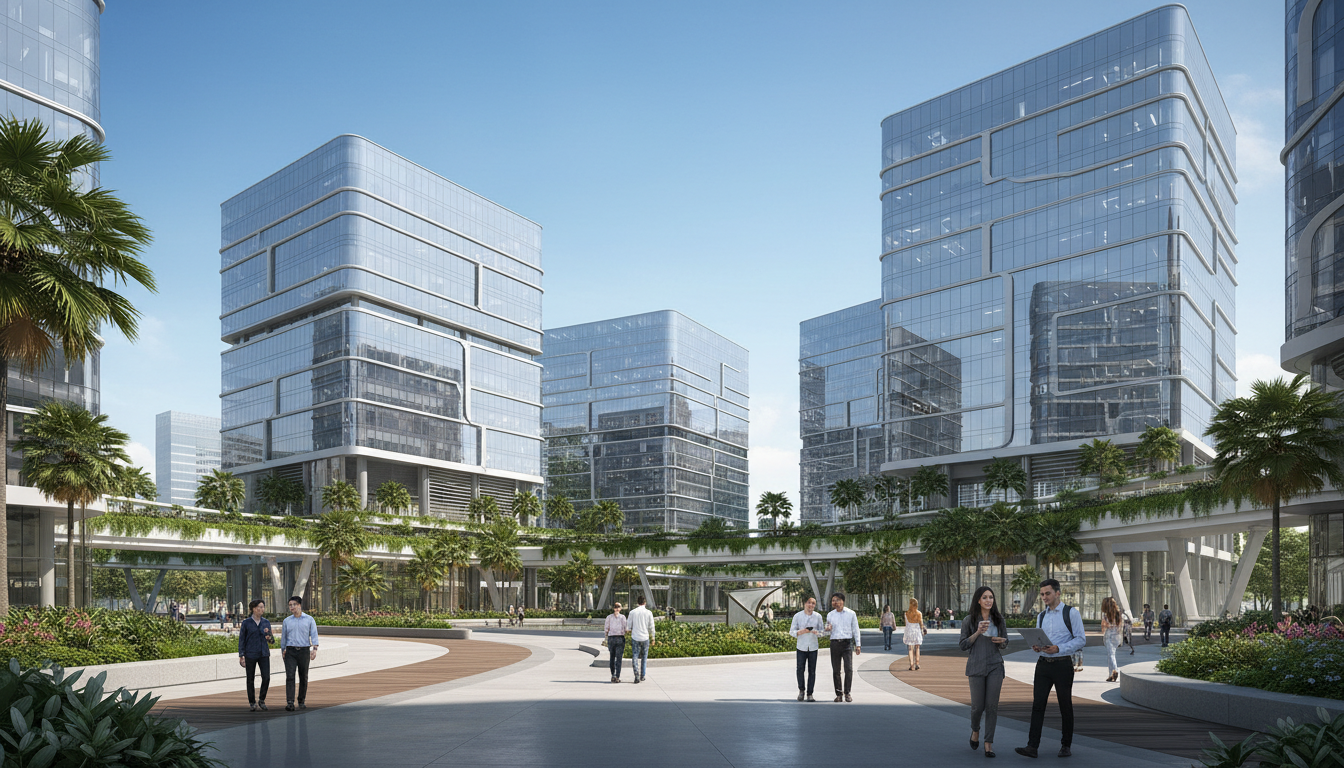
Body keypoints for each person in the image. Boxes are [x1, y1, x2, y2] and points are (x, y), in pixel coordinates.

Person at [1015, 579, 1085, 759]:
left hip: (1062, 664)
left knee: (1065, 706)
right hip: (1043, 664)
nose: (1044, 597)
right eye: (1042, 594)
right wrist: (1037, 646)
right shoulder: (1041, 616)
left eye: (1047, 593)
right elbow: (1040, 638)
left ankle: (1066, 745)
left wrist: (1059, 648)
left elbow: (1080, 639)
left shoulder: (1071, 613)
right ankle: (1032, 746)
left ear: (1057, 593)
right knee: (1038, 705)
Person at [961, 587, 1009, 759]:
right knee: (977, 708)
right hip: (976, 666)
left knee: (992, 707)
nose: (989, 600)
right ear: (978, 600)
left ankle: (988, 744)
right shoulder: (969, 620)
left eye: (991, 597)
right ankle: (975, 730)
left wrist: (1002, 641)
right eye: (985, 597)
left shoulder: (999, 619)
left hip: (995, 665)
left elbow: (1005, 642)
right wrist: (977, 633)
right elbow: (963, 645)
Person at [280, 596, 319, 712]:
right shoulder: (287, 621)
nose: (292, 607)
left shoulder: (309, 620)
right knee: (290, 677)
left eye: (294, 604)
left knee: (303, 676)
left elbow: (314, 634)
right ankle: (290, 702)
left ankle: (301, 700)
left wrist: (315, 649)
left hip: (304, 651)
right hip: (290, 651)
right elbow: (284, 638)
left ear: (300, 605)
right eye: (290, 605)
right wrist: (283, 650)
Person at [824, 591, 861, 702]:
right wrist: (827, 628)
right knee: (836, 670)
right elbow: (826, 630)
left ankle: (847, 693)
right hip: (834, 643)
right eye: (833, 600)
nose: (835, 602)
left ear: (842, 601)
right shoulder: (830, 615)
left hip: (847, 644)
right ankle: (839, 694)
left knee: (848, 669)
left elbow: (856, 629)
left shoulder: (851, 614)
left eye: (837, 600)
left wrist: (858, 644)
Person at [237, 599, 274, 712]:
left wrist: (269, 637)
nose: (261, 609)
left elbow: (272, 641)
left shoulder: (266, 622)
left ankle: (261, 700)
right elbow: (241, 640)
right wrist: (241, 655)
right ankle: (252, 702)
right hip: (250, 654)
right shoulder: (246, 623)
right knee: (250, 679)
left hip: (264, 654)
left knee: (266, 677)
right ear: (253, 609)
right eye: (259, 607)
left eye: (263, 607)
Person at [789, 596, 824, 701]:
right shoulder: (797, 616)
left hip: (813, 647)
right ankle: (801, 690)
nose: (811, 605)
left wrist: (817, 633)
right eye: (809, 602)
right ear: (805, 603)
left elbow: (822, 632)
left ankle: (810, 693)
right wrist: (800, 632)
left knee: (812, 671)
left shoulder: (818, 616)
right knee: (800, 669)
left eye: (813, 603)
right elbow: (792, 631)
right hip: (801, 647)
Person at [628, 595, 656, 684]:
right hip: (645, 637)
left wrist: (630, 631)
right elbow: (651, 627)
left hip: (635, 637)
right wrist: (653, 638)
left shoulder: (632, 612)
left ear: (637, 602)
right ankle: (642, 675)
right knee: (644, 657)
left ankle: (636, 674)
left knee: (635, 656)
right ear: (645, 603)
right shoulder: (649, 613)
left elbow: (628, 627)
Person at [604, 602, 628, 683]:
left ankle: (616, 676)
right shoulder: (609, 617)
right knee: (612, 657)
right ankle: (613, 675)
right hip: (612, 638)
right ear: (613, 608)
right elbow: (606, 629)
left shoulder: (622, 617)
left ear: (620, 609)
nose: (617, 608)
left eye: (618, 607)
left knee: (618, 658)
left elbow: (625, 627)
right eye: (616, 607)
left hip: (619, 638)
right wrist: (606, 638)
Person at [1100, 596, 1123, 682]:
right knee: (1111, 654)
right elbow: (1120, 626)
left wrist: (1106, 627)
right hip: (1117, 635)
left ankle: (1115, 671)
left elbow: (1104, 626)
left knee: (1111, 655)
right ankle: (1111, 674)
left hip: (1109, 635)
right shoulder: (1118, 613)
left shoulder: (1106, 615)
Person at [903, 598, 925, 671]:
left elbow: (906, 624)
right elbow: (921, 624)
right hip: (916, 630)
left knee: (910, 648)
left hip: (909, 630)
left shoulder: (906, 613)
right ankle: (917, 663)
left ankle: (911, 665)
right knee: (917, 648)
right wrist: (923, 630)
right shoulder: (919, 613)